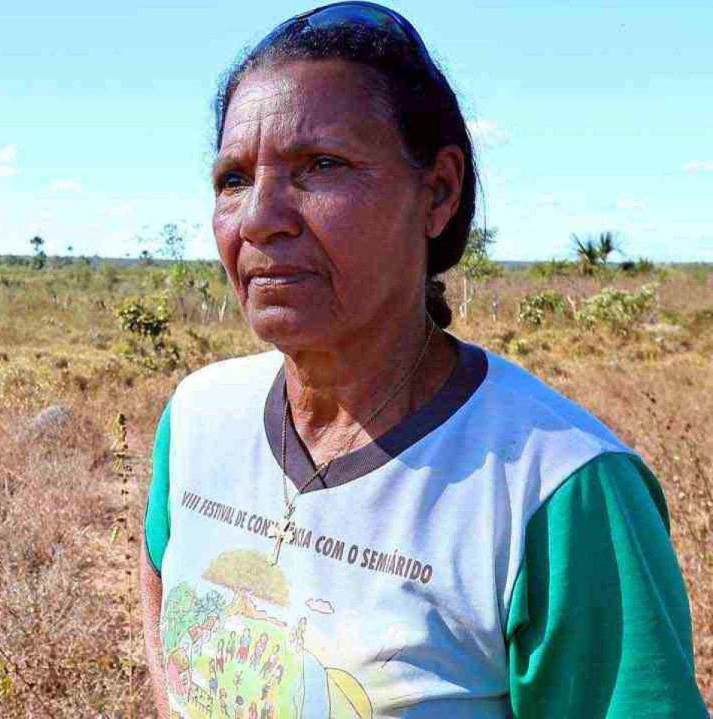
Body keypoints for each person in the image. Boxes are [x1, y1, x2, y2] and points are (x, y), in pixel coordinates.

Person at [139, 3, 706, 717]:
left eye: (320, 166)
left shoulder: (560, 489)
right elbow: (162, 569)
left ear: (437, 193)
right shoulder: (198, 417)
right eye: (232, 179)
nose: (259, 217)